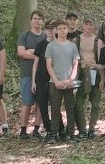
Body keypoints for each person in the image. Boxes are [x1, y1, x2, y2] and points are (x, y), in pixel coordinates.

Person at [46, 20, 80, 143]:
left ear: (67, 30)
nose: (62, 31)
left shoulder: (72, 46)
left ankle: (71, 133)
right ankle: (54, 134)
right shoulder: (50, 46)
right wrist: (56, 81)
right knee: (55, 109)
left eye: (64, 28)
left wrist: (71, 80)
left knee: (70, 109)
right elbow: (49, 65)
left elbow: (75, 65)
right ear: (56, 30)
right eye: (59, 28)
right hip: (54, 83)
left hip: (69, 83)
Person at [16, 10, 46, 139]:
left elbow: (48, 54)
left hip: (42, 74)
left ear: (42, 21)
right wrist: (38, 55)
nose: (37, 21)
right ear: (30, 20)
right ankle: (23, 130)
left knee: (41, 102)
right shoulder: (25, 35)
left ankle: (36, 129)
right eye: (35, 18)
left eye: (39, 19)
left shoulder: (45, 36)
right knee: (27, 102)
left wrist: (32, 52)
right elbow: (21, 53)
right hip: (27, 73)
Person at [74, 17, 103, 139]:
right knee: (78, 103)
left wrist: (103, 79)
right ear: (82, 26)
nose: (88, 27)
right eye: (86, 24)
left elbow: (102, 62)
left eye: (91, 24)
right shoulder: (77, 39)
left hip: (95, 73)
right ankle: (82, 129)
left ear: (93, 26)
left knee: (95, 103)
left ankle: (92, 129)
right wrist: (81, 63)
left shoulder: (98, 41)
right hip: (81, 73)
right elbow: (73, 58)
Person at [30, 20, 57, 139]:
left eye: (52, 28)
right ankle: (49, 129)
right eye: (48, 29)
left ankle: (59, 129)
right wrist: (33, 81)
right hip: (41, 79)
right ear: (45, 30)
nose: (50, 31)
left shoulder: (58, 44)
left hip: (54, 79)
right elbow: (36, 63)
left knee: (55, 106)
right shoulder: (40, 45)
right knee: (42, 105)